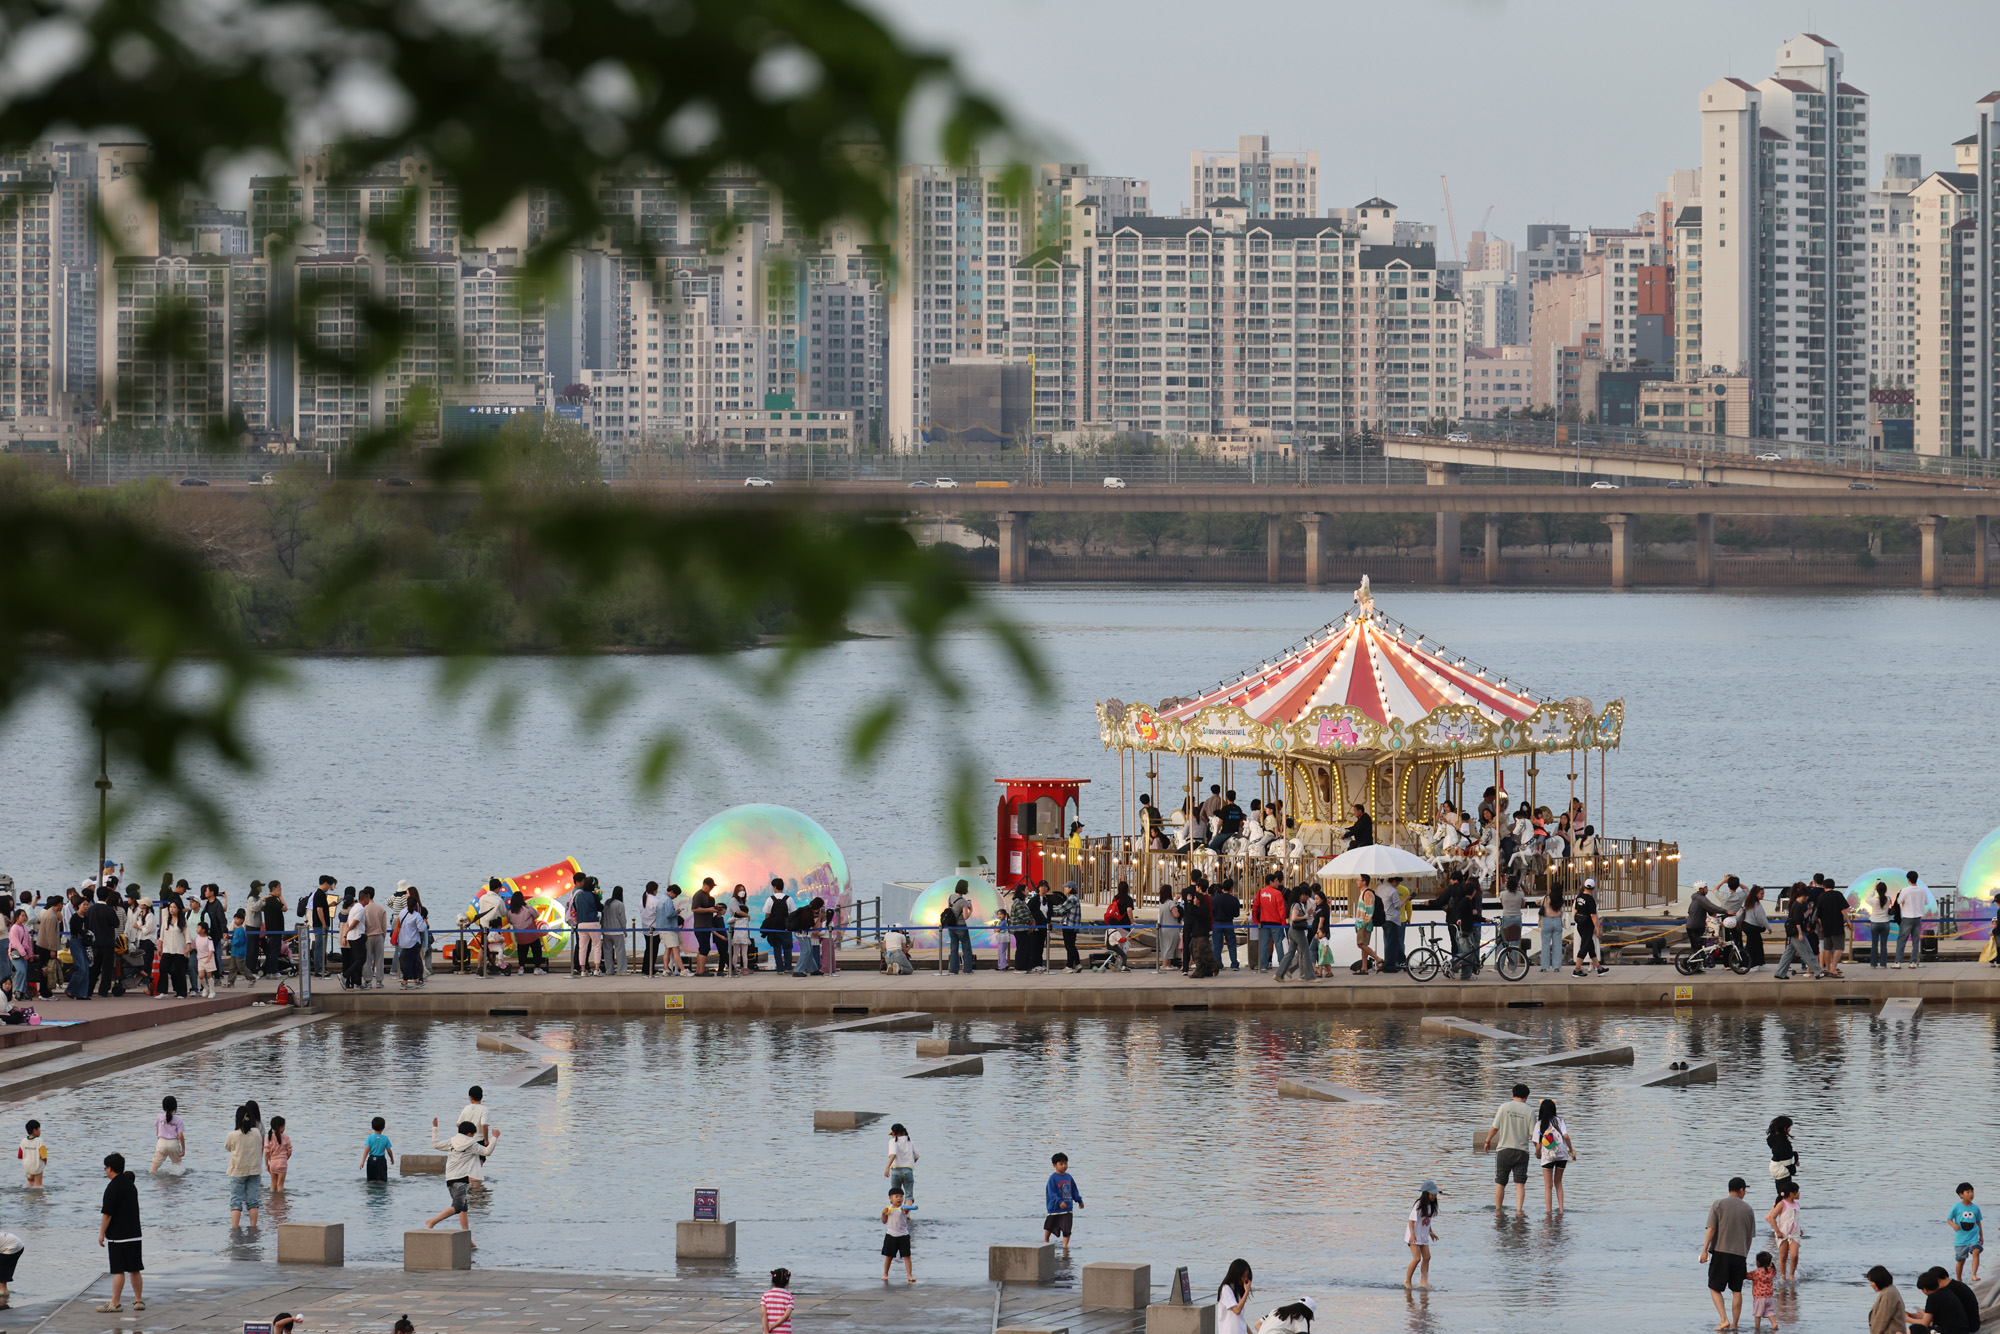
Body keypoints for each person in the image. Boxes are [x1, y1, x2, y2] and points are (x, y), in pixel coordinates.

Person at [1700, 1176, 1757, 1333]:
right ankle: (1734, 1325)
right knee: (1736, 1291)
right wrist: (1744, 1254)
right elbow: (1750, 1238)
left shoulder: (1718, 1204)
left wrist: (1704, 1250)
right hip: (1740, 1255)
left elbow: (1711, 1229)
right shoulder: (1748, 1209)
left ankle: (1724, 1319)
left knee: (1714, 1287)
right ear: (1741, 1190)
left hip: (1721, 1253)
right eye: (1745, 1190)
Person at [426, 1118, 496, 1244]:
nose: (473, 1137)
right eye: (473, 1134)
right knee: (458, 1206)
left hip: (450, 1179)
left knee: (464, 1208)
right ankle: (432, 1221)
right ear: (469, 1134)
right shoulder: (471, 1144)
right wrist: (495, 1137)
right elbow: (487, 1151)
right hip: (461, 1179)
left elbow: (435, 1144)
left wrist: (435, 1128)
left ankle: (467, 1238)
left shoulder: (451, 1141)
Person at [97, 1152, 144, 1313]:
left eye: (106, 1168)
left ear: (110, 1168)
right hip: (135, 1233)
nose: (106, 1170)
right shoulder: (130, 1185)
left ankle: (115, 1303)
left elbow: (107, 1214)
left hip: (118, 1236)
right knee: (135, 1269)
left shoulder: (112, 1187)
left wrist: (101, 1234)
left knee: (118, 1270)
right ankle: (138, 1300)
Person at [1481, 1083, 1534, 1210]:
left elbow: (1495, 1128)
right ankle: (1519, 1211)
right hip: (1522, 1152)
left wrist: (1487, 1141)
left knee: (1500, 1183)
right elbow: (1533, 1135)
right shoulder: (1530, 1111)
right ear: (1526, 1097)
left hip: (1504, 1150)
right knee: (1520, 1184)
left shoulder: (1504, 1107)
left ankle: (1498, 1210)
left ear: (1512, 1095)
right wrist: (1539, 1149)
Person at [1773, 885, 1825, 981]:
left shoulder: (1796, 904)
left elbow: (1801, 917)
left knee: (1788, 953)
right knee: (1807, 952)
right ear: (1804, 896)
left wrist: (1808, 911)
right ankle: (1818, 972)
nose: (1808, 898)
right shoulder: (1797, 905)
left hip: (1793, 933)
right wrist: (1800, 934)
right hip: (1797, 933)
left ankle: (1780, 972)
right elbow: (1797, 921)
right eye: (1807, 896)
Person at [226, 1103, 265, 1228]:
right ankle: (253, 1228)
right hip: (255, 1169)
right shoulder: (256, 1132)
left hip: (238, 1170)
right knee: (253, 1201)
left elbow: (229, 1147)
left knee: (236, 1201)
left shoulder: (232, 1135)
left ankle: (235, 1229)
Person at [1534, 1097, 1575, 1213]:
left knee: (1548, 1185)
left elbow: (1538, 1145)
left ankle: (1549, 1211)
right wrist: (1571, 1150)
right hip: (1562, 1155)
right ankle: (1561, 1210)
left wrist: (1537, 1154)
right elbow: (1566, 1136)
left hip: (1547, 1156)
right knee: (1558, 1183)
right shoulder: (1560, 1121)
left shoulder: (1539, 1124)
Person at [1043, 1152, 1084, 1256]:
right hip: (1054, 1209)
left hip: (1068, 1208)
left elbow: (1074, 1190)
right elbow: (1051, 1193)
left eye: (1065, 1163)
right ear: (1054, 1165)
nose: (1064, 1166)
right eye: (1061, 1164)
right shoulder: (1053, 1178)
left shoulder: (1069, 1177)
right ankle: (1046, 1240)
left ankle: (1065, 1246)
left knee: (1067, 1228)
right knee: (1049, 1226)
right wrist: (1059, 1201)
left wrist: (1079, 1200)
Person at [1912, 1268, 1971, 1334]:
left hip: (1951, 1331)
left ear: (1925, 1289)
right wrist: (1911, 1315)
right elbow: (1931, 1317)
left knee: (1913, 1331)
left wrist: (1907, 1319)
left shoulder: (1933, 1297)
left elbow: (1924, 1325)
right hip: (1962, 1330)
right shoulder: (1946, 1291)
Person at [1404, 1184, 1440, 1290]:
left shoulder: (1431, 1205)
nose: (1434, 1196)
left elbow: (1426, 1221)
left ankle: (1423, 1282)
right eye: (1432, 1194)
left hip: (1423, 1234)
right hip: (1414, 1235)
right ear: (1426, 1194)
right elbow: (1411, 1221)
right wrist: (1412, 1234)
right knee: (1417, 1258)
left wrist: (1431, 1232)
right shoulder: (1419, 1204)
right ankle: (1407, 1281)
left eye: (1435, 1194)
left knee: (1427, 1257)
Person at [1765, 1183, 1801, 1282]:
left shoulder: (1797, 1204)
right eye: (1797, 1191)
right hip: (1783, 1234)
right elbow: (1771, 1218)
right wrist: (1777, 1231)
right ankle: (1783, 1276)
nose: (1799, 1193)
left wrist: (1799, 1228)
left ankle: (1791, 1275)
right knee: (1783, 1256)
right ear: (1791, 1193)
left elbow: (1796, 1218)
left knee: (1794, 1255)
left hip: (1794, 1234)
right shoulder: (1782, 1204)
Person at [1814, 878, 1849, 979]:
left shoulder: (1821, 897)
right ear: (1833, 886)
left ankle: (1828, 968)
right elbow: (1843, 909)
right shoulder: (1838, 894)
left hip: (1826, 926)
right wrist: (1848, 921)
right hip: (1837, 925)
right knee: (1839, 947)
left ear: (1824, 886)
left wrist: (1821, 926)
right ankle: (1833, 968)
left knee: (1827, 948)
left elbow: (1819, 915)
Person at [1949, 1182, 1984, 1281]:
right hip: (1961, 1240)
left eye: (1972, 1192)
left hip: (1973, 1238)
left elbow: (1978, 1222)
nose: (1971, 1194)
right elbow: (1949, 1219)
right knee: (1961, 1261)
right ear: (1961, 1195)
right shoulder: (1956, 1207)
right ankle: (1959, 1279)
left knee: (1976, 1251)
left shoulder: (1975, 1208)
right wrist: (1953, 1225)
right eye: (1968, 1192)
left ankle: (1973, 1274)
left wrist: (1981, 1236)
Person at [1572, 879, 1605, 977]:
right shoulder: (1590, 900)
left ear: (1584, 886)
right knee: (1584, 947)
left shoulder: (1579, 897)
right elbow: (1593, 915)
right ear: (1593, 888)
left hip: (1580, 925)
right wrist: (1597, 928)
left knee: (1590, 947)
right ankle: (1577, 969)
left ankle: (1599, 968)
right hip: (1587, 926)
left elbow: (1576, 910)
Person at [880, 1185, 914, 1283]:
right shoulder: (888, 1208)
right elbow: (884, 1221)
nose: (899, 1198)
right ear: (890, 1198)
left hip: (904, 1236)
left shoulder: (904, 1208)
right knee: (889, 1256)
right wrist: (883, 1213)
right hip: (891, 1236)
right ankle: (885, 1274)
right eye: (896, 1196)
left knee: (907, 1256)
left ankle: (909, 1275)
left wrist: (907, 1208)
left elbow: (909, 1203)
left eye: (901, 1196)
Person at [507, 892, 547, 974]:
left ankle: (521, 968)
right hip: (531, 934)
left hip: (519, 936)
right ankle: (537, 968)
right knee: (536, 950)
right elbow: (537, 915)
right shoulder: (527, 908)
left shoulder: (510, 912)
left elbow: (509, 922)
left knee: (521, 951)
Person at [459, 1086, 492, 1183]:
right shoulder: (484, 1109)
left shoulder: (466, 1108)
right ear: (482, 1096)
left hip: (466, 1139)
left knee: (467, 1162)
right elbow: (484, 1125)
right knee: (479, 1163)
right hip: (479, 1139)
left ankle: (468, 1182)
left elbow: (459, 1124)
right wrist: (486, 1140)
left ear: (470, 1097)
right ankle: (475, 1184)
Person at [396, 890, 427, 988]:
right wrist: (424, 923)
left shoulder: (402, 912)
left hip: (403, 940)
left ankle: (417, 980)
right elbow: (421, 928)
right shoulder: (417, 915)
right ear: (415, 905)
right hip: (413, 941)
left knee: (412, 961)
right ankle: (404, 982)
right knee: (409, 962)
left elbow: (399, 923)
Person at [1898, 871, 1931, 968]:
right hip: (1918, 918)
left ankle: (1898, 962)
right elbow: (1926, 902)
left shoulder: (1905, 890)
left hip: (1907, 918)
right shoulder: (1922, 890)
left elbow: (1899, 901)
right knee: (1915, 941)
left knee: (1902, 940)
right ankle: (1913, 962)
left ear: (1908, 879)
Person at [761, 881, 791, 975]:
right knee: (787, 948)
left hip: (774, 928)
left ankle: (780, 968)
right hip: (786, 928)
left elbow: (767, 914)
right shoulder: (789, 899)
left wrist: (768, 925)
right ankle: (788, 967)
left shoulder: (770, 899)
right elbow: (792, 913)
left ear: (774, 887)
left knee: (777, 948)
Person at [1217, 1258, 1255, 1334]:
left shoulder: (1237, 1290)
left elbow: (1240, 1318)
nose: (1245, 1279)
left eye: (1247, 1276)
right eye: (1243, 1276)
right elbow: (1237, 1310)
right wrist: (1246, 1292)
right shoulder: (1226, 1288)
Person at [1210, 878, 1241, 971]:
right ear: (1231, 888)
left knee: (1217, 944)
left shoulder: (1215, 899)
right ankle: (1234, 963)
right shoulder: (1234, 899)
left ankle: (1218, 964)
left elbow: (1212, 911)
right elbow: (1236, 914)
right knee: (1231, 943)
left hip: (1217, 923)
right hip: (1228, 922)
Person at [1866, 1267, 1907, 1334]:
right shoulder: (1889, 1291)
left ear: (1878, 1280)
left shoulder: (1888, 1294)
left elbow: (1882, 1320)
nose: (1870, 1284)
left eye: (1871, 1281)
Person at [362, 885, 389, 989]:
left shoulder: (364, 908)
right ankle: (379, 980)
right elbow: (384, 925)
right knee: (379, 959)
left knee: (367, 959)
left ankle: (368, 981)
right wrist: (383, 936)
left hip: (368, 936)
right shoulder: (381, 908)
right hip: (379, 935)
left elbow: (363, 924)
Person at [1766, 1115, 1799, 1200]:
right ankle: (1781, 1206)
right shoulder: (1783, 1142)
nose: (1790, 1129)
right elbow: (1787, 1161)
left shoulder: (1773, 1138)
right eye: (1789, 1127)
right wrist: (1793, 1169)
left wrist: (1795, 1157)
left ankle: (1780, 1204)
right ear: (1784, 1128)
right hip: (1782, 1170)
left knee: (1781, 1192)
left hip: (1775, 1167)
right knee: (1786, 1194)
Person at [884, 1124, 918, 1204]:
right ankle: (907, 1211)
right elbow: (917, 1155)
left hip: (896, 1170)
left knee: (895, 1194)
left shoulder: (893, 1141)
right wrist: (910, 1162)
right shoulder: (910, 1141)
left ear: (893, 1133)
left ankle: (896, 1210)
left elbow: (893, 1154)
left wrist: (887, 1167)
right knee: (909, 1195)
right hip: (908, 1170)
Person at [1863, 880, 1894, 968]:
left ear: (1877, 890)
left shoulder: (1873, 900)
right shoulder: (1888, 899)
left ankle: (1873, 964)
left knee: (1874, 944)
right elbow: (1888, 895)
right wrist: (1884, 890)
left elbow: (1868, 898)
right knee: (1884, 945)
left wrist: (1873, 890)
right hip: (1885, 923)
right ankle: (1883, 963)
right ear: (1885, 890)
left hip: (1875, 923)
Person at [150, 1097, 185, 1173]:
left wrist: (159, 1140)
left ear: (163, 1107)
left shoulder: (159, 1117)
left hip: (161, 1142)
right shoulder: (178, 1119)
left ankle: (151, 1179)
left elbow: (158, 1131)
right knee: (177, 1166)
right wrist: (183, 1149)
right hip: (173, 1144)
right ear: (175, 1107)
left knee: (155, 1166)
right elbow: (180, 1135)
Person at [1749, 1251, 1778, 1334]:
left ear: (1758, 1262)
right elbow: (1775, 1272)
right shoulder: (1771, 1270)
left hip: (1759, 1297)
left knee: (1757, 1314)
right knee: (1770, 1312)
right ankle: (1774, 1323)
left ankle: (1757, 1328)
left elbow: (1747, 1276)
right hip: (1769, 1297)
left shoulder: (1756, 1272)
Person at [1538, 884, 1565, 972]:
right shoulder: (1561, 900)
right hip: (1557, 920)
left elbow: (1537, 902)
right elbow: (1562, 911)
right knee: (1557, 945)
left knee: (1545, 944)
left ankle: (1544, 966)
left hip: (1547, 920)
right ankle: (1556, 966)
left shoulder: (1545, 898)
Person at [761, 1268, 795, 1334]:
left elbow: (763, 1314)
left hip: (769, 1330)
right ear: (787, 1282)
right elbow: (787, 1315)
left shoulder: (765, 1295)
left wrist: (766, 1330)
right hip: (784, 1330)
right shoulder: (789, 1296)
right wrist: (772, 1326)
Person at [360, 1117, 394, 1181]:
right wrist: (392, 1158)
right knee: (383, 1179)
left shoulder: (370, 1138)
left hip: (371, 1160)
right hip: (381, 1160)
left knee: (371, 1179)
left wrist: (363, 1161)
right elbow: (389, 1150)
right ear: (383, 1128)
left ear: (372, 1127)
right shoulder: (385, 1138)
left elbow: (366, 1150)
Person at [265, 1115, 292, 1192]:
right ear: (280, 1127)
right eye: (284, 1126)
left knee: (273, 1183)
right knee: (280, 1185)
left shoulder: (269, 1138)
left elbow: (267, 1152)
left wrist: (267, 1163)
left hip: (273, 1163)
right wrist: (285, 1158)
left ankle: (272, 1198)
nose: (284, 1128)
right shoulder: (286, 1137)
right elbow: (289, 1151)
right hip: (282, 1163)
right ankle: (280, 1198)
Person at [0, 1227, 21, 1311]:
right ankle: (3, 1294)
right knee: (2, 1273)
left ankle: (3, 1296)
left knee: (2, 1274)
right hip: (15, 1243)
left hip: (11, 1247)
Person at [19, 1118, 45, 1187]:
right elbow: (43, 1155)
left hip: (27, 1167)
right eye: (39, 1129)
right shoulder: (39, 1141)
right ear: (34, 1130)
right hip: (37, 1166)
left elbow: (20, 1155)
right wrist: (45, 1162)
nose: (40, 1131)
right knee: (38, 1185)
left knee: (30, 1183)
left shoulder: (23, 1141)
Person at [194, 922, 217, 997]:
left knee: (209, 975)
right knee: (201, 976)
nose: (197, 929)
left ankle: (212, 991)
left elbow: (211, 949)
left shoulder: (208, 939)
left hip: (208, 958)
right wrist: (187, 950)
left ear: (203, 930)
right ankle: (205, 987)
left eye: (198, 927)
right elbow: (193, 946)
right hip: (200, 959)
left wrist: (209, 957)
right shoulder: (196, 938)